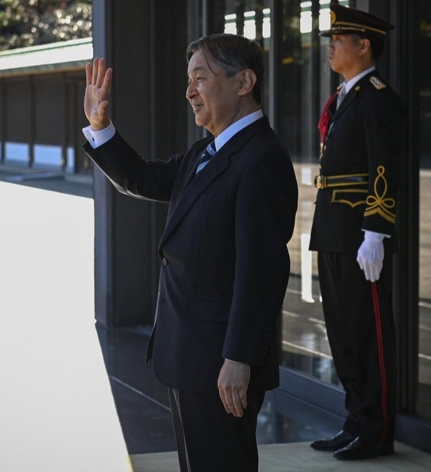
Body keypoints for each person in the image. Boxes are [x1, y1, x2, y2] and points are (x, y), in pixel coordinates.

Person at [82, 34, 298, 472]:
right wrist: (101, 127)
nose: (189, 92)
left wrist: (238, 357)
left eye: (201, 78)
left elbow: (263, 270)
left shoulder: (261, 159)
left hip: (220, 363)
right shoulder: (208, 150)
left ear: (244, 82)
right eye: (188, 79)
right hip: (189, 356)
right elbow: (143, 179)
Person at [308, 3, 405, 461]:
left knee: (369, 334)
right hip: (333, 229)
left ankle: (376, 430)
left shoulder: (378, 98)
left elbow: (384, 166)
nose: (331, 46)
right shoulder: (346, 95)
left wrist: (376, 230)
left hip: (359, 234)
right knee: (343, 333)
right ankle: (355, 420)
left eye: (338, 39)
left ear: (363, 46)